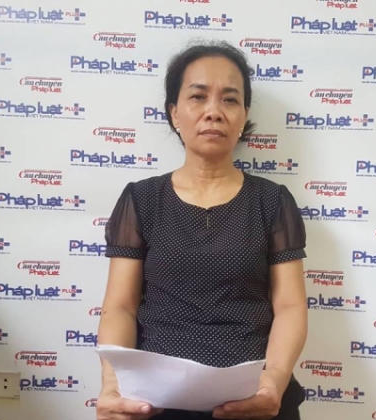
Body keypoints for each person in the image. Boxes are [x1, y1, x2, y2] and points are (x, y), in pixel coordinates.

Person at [96, 41, 307, 420]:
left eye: (230, 100)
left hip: (254, 399)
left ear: (244, 115)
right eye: (198, 97)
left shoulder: (272, 201)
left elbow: (290, 306)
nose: (213, 111)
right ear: (174, 113)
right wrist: (113, 384)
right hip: (157, 401)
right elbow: (120, 307)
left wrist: (274, 381)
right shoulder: (141, 200)